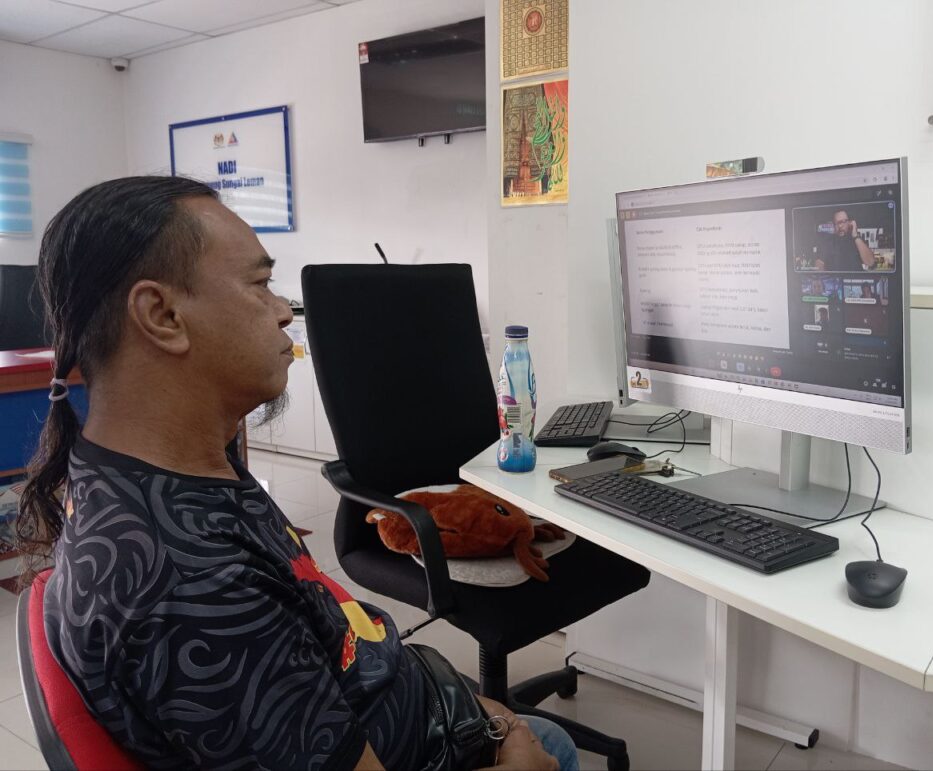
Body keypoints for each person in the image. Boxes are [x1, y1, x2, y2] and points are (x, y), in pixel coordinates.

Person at [17, 177, 577, 771]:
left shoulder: (162, 472)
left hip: (419, 704)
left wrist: (483, 711)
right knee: (555, 747)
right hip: (433, 743)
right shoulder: (194, 587)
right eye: (260, 285)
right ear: (162, 315)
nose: (284, 310)